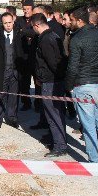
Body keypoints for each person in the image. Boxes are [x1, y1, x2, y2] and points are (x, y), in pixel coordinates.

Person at [65, 7, 98, 163]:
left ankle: (94, 160)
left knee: (88, 126)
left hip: (83, 86)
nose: (70, 23)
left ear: (80, 21)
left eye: (72, 20)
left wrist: (68, 86)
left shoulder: (76, 39)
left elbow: (73, 66)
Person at [31, 13, 68, 156]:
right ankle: (58, 140)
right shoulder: (54, 35)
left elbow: (52, 62)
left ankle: (60, 146)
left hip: (50, 82)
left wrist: (45, 77)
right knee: (57, 113)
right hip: (55, 80)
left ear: (36, 25)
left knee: (53, 115)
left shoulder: (45, 39)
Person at [0, 12, 24, 130]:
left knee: (13, 97)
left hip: (15, 71)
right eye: (5, 23)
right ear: (2, 23)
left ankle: (12, 118)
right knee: (0, 95)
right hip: (1, 71)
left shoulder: (19, 34)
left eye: (10, 22)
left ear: (13, 22)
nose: (8, 25)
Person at [14, 0, 35, 111]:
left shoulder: (35, 19)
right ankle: (26, 103)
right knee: (24, 82)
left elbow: (34, 33)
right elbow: (17, 33)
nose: (26, 11)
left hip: (34, 56)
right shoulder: (19, 21)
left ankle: (38, 103)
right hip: (23, 56)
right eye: (24, 9)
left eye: (28, 9)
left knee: (38, 83)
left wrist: (24, 31)